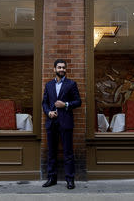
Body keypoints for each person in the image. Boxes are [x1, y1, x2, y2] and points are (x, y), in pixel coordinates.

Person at [42, 59, 82, 189]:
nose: (61, 70)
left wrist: (66, 104)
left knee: (68, 152)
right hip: (52, 122)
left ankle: (70, 180)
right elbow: (45, 103)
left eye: (63, 68)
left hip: (66, 122)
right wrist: (48, 113)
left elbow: (78, 102)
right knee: (52, 152)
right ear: (54, 69)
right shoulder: (48, 85)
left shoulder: (71, 84)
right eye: (59, 67)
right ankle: (51, 178)